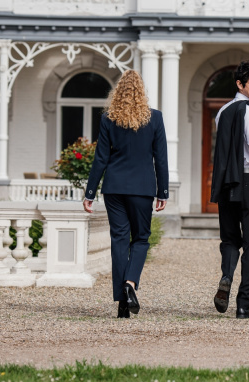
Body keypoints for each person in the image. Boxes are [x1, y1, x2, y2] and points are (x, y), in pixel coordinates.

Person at [83, 70, 169, 319]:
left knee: (119, 240)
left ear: (118, 92)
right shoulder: (155, 118)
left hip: (114, 187)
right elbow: (160, 158)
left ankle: (122, 304)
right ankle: (130, 285)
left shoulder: (109, 119)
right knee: (141, 238)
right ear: (142, 91)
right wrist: (163, 191)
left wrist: (90, 193)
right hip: (142, 188)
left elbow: (101, 158)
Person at [210, 59, 249, 319]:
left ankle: (226, 275)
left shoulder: (222, 111)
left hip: (226, 182)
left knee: (230, 238)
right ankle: (243, 304)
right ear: (240, 84)